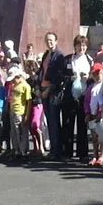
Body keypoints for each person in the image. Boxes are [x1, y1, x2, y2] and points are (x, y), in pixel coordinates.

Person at [62, 35, 93, 160]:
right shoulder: (68, 59)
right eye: (79, 45)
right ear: (75, 46)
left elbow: (95, 78)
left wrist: (88, 78)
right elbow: (62, 76)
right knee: (68, 124)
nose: (82, 48)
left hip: (84, 97)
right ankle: (67, 152)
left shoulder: (90, 60)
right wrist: (71, 78)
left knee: (82, 125)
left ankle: (83, 153)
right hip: (70, 96)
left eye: (84, 45)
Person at [39, 32, 66, 160]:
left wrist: (48, 90)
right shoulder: (46, 54)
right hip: (44, 90)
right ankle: (53, 150)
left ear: (56, 41)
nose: (49, 42)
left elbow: (59, 77)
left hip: (53, 92)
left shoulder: (59, 56)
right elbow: (42, 72)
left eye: (51, 40)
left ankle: (57, 151)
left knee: (54, 122)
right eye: (47, 40)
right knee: (49, 121)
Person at [7, 66, 32, 160]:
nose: (12, 81)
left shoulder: (25, 86)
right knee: (14, 132)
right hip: (12, 111)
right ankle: (16, 150)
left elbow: (28, 101)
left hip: (20, 112)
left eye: (14, 79)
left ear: (18, 76)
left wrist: (26, 115)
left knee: (21, 132)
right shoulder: (12, 85)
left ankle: (24, 152)